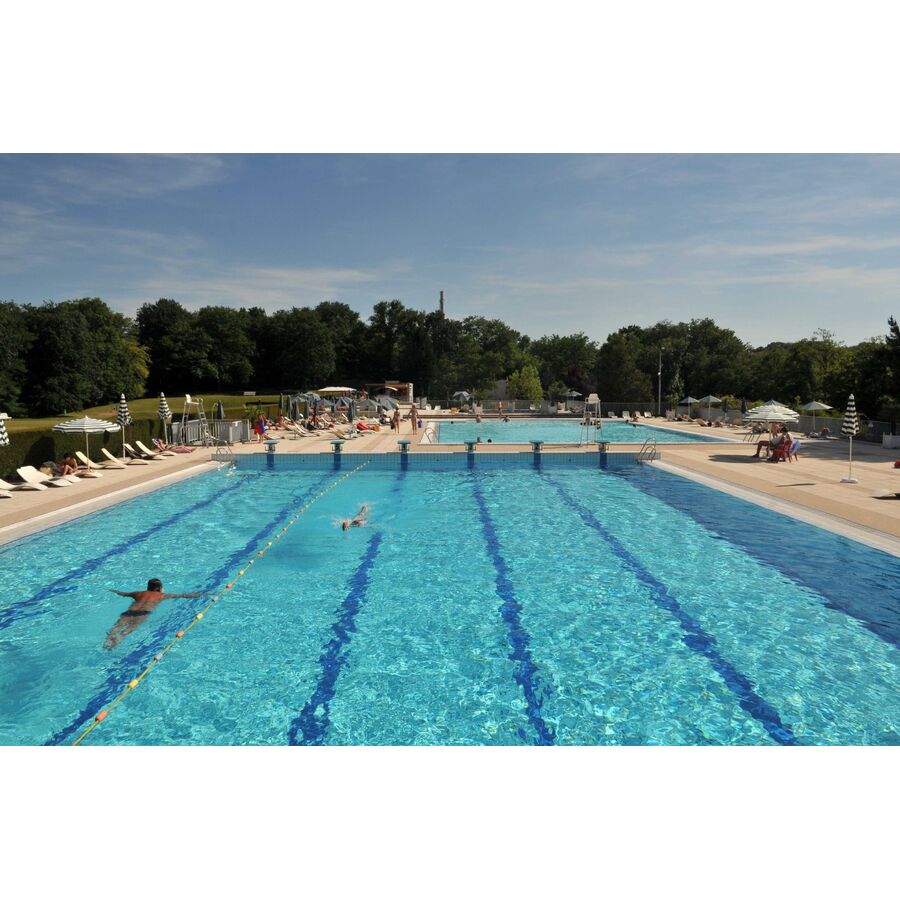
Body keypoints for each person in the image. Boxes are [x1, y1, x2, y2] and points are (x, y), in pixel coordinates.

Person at [104, 578, 207, 649]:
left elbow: (123, 594)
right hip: (142, 614)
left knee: (118, 626)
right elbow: (183, 596)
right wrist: (200, 595)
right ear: (160, 588)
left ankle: (108, 640)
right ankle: (119, 638)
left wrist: (112, 590)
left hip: (129, 612)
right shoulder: (161, 595)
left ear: (148, 587)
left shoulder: (138, 593)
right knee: (129, 628)